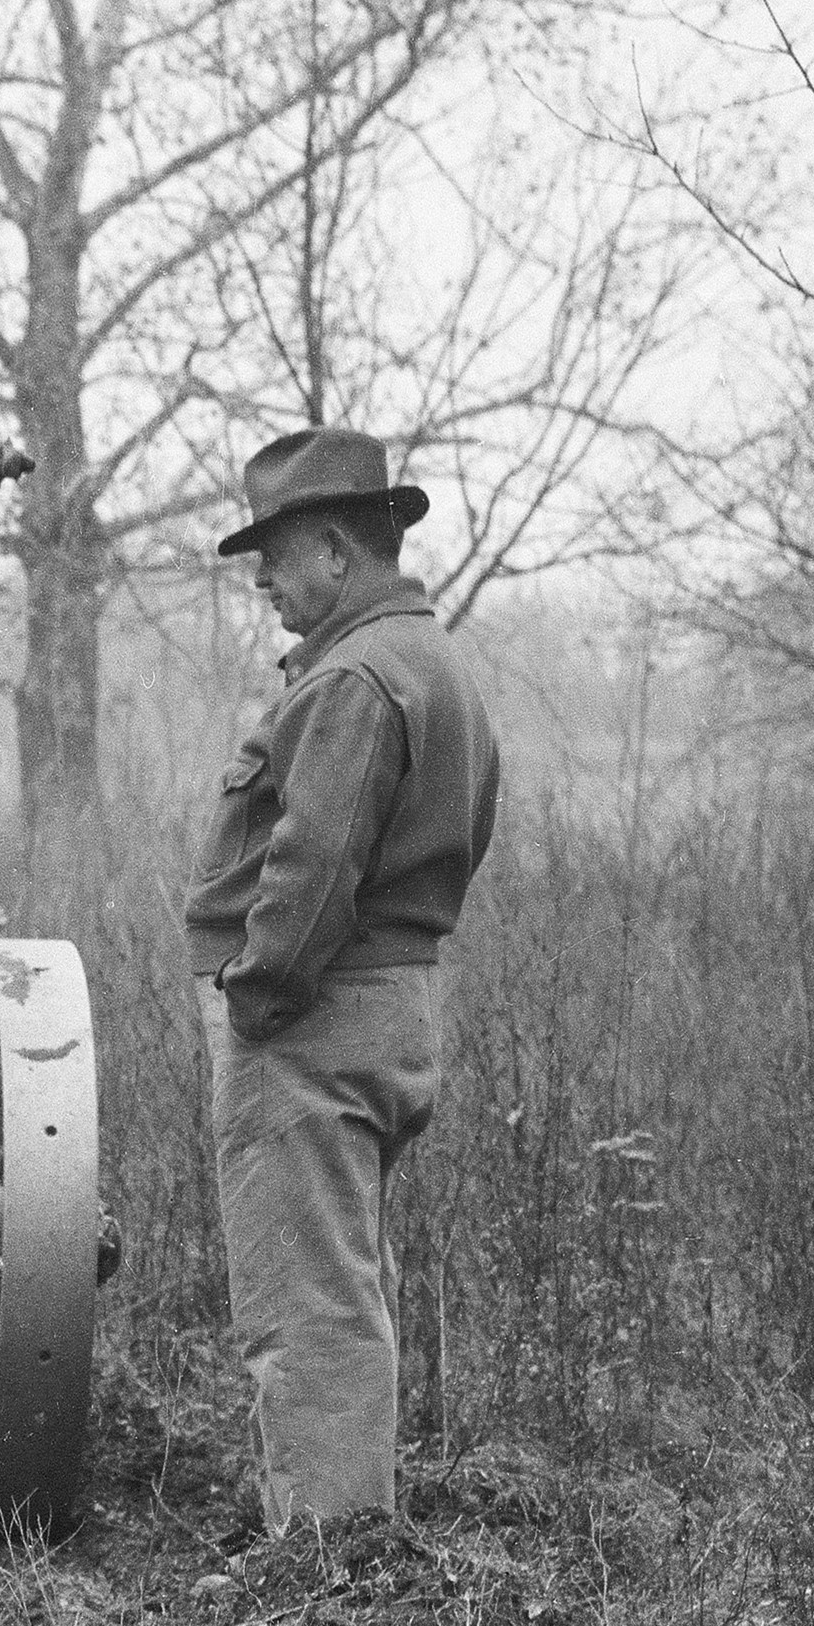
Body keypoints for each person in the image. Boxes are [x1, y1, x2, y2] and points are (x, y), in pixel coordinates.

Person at [186, 427, 504, 1534]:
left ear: (332, 547)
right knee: (349, 1289)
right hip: (396, 1002)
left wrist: (254, 994)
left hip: (316, 1019)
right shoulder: (431, 661)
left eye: (271, 555)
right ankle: (347, 1547)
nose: (263, 580)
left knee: (305, 1309)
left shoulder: (354, 677)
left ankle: (321, 1572)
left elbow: (310, 869)